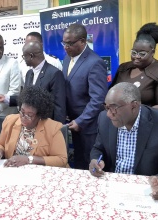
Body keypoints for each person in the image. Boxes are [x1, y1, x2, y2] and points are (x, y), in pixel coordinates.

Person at [89, 82, 158, 200]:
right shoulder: (104, 119)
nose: (108, 114)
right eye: (107, 107)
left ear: (134, 105)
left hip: (147, 190)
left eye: (113, 108)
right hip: (112, 187)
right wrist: (95, 160)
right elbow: (98, 148)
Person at [62, 23, 108, 169]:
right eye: (64, 42)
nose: (66, 47)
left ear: (83, 41)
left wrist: (81, 121)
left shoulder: (95, 63)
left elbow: (98, 99)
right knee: (78, 163)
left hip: (88, 127)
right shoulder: (67, 59)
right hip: (72, 123)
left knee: (90, 165)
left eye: (70, 43)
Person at [0, 86, 67, 168]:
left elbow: (61, 159)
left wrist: (29, 159)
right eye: (22, 112)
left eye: (29, 115)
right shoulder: (10, 120)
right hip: (13, 171)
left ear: (40, 115)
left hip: (40, 173)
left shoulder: (52, 128)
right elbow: (0, 143)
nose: (23, 117)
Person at [110, 22, 158, 112]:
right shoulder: (124, 68)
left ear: (152, 52)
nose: (136, 56)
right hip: (119, 120)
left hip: (147, 122)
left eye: (142, 54)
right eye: (134, 52)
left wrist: (133, 113)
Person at [0, 41, 66, 123]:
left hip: (47, 125)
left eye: (24, 56)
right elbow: (27, 98)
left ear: (31, 56)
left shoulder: (54, 73)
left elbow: (59, 107)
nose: (23, 59)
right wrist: (6, 99)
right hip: (30, 125)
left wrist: (58, 128)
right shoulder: (29, 73)